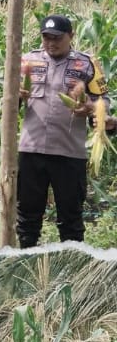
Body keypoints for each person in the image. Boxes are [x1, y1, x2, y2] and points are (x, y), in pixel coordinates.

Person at [17, 14, 109, 248]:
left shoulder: (87, 64)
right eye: (46, 37)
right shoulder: (27, 61)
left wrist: (91, 108)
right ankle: (28, 262)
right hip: (32, 149)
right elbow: (9, 103)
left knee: (71, 217)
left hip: (69, 152)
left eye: (57, 38)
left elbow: (103, 101)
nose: (51, 43)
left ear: (71, 36)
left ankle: (71, 264)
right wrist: (17, 96)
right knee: (28, 216)